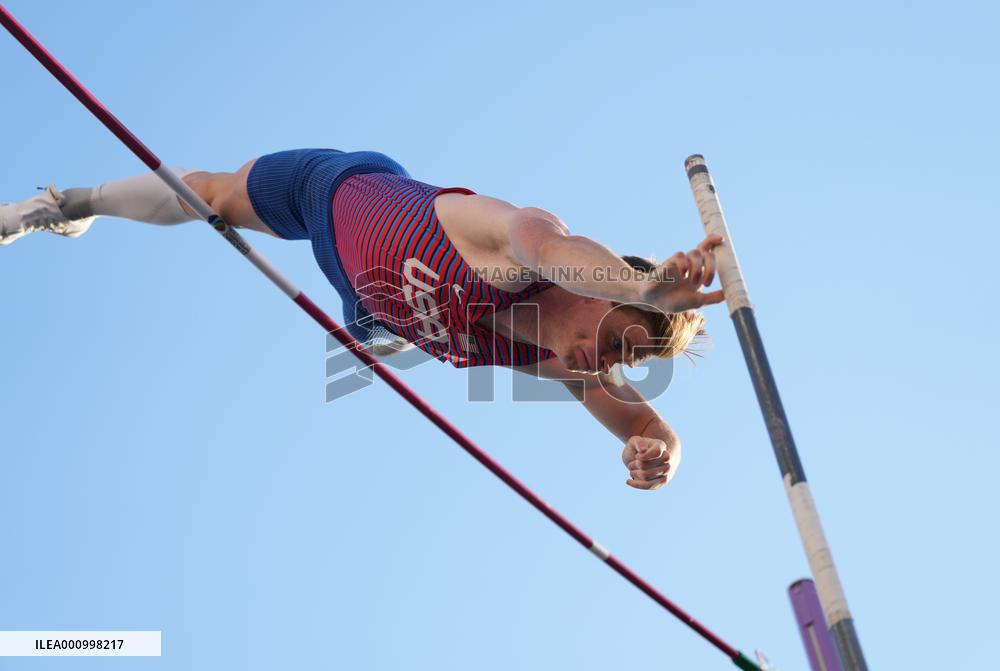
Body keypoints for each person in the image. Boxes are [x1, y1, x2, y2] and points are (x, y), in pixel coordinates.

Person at [0, 148, 725, 490]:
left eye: (623, 364)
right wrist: (650, 285)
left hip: (369, 306)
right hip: (336, 190)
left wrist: (659, 455)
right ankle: (68, 205)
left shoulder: (556, 362)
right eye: (616, 340)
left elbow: (646, 429)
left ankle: (372, 334)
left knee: (371, 343)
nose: (605, 365)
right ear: (605, 292)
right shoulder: (522, 245)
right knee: (214, 198)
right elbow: (564, 252)